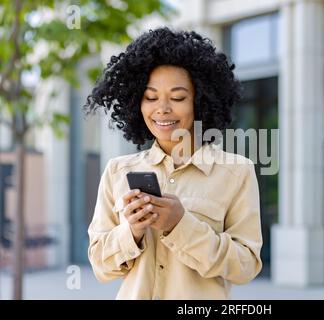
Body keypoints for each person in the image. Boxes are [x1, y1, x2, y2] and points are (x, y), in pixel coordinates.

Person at [83, 27, 263, 300]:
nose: (162, 109)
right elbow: (100, 267)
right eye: (151, 97)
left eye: (178, 98)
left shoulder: (237, 172)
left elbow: (245, 267)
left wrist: (181, 225)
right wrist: (131, 231)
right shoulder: (118, 171)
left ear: (200, 101)